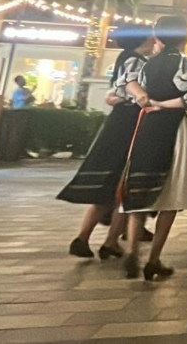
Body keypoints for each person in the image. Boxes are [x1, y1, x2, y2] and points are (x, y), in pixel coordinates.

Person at [119, 16, 187, 281]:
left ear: (158, 36)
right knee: (172, 195)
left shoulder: (146, 64)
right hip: (174, 127)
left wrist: (146, 99)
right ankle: (154, 258)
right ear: (184, 37)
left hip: (147, 125)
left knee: (140, 187)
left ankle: (131, 249)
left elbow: (127, 88)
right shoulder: (185, 63)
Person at [58, 27, 154, 259]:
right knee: (123, 186)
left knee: (108, 186)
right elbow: (132, 89)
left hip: (119, 123)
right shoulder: (135, 60)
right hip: (130, 125)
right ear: (142, 40)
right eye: (150, 35)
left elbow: (115, 92)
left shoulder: (125, 58)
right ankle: (109, 241)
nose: (154, 39)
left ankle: (85, 238)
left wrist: (117, 97)